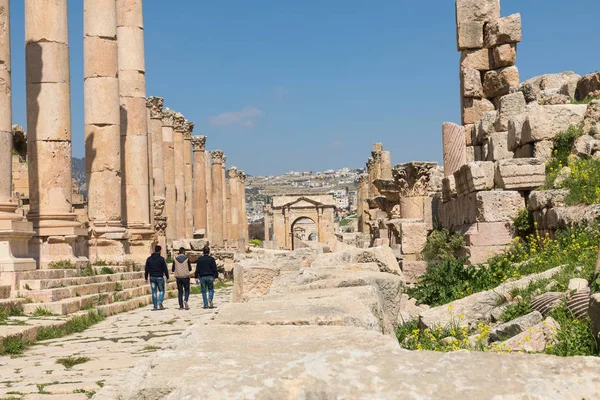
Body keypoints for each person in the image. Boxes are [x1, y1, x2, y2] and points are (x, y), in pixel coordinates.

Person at [145, 245, 169, 311]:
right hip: (159, 277)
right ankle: (160, 301)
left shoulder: (149, 259)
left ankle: (155, 307)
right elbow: (165, 269)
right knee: (162, 290)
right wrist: (167, 276)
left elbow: (146, 269)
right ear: (160, 251)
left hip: (152, 277)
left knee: (154, 292)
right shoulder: (161, 259)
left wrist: (146, 278)